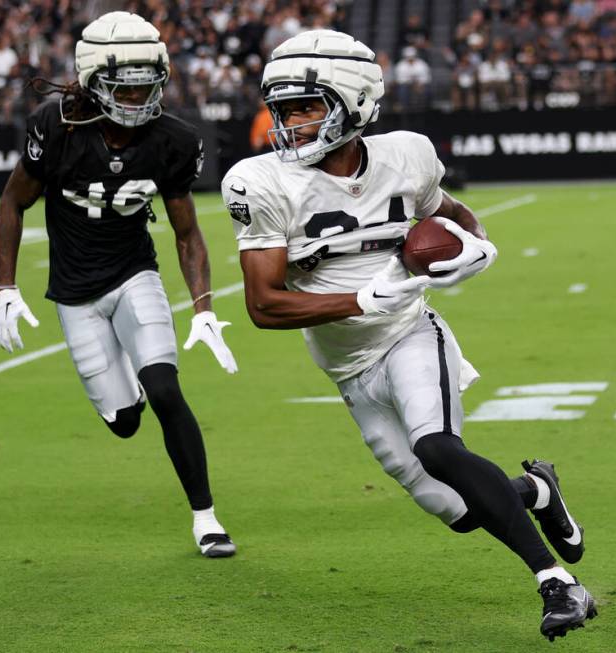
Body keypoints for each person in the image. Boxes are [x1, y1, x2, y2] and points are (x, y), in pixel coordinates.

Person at [222, 30, 597, 640]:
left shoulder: (407, 155)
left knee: (438, 449)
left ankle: (558, 585)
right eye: (282, 108)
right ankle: (535, 489)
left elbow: (448, 213)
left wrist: (478, 246)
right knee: (458, 512)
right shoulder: (259, 182)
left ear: (356, 102)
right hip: (345, 364)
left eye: (306, 106)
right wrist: (359, 297)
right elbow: (264, 305)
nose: (288, 123)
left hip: (408, 331)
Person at [0, 12, 237, 558]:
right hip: (75, 294)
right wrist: (5, 285)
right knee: (124, 423)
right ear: (95, 80)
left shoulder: (173, 140)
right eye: (127, 84)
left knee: (167, 389)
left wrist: (205, 308)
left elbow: (186, 232)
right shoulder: (54, 127)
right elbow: (13, 201)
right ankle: (129, 391)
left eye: (148, 82)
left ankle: (207, 519)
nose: (140, 95)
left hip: (133, 276)